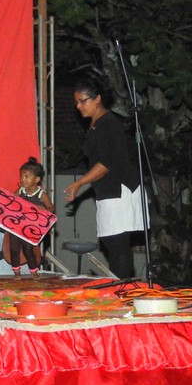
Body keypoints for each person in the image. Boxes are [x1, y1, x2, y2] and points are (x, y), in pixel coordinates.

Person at [62, 75, 145, 279]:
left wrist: (80, 183)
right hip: (107, 190)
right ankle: (119, 285)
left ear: (97, 99)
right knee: (111, 242)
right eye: (76, 101)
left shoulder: (109, 124)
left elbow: (107, 163)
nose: (78, 106)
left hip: (120, 189)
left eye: (83, 101)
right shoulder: (95, 124)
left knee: (117, 243)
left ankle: (121, 288)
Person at [2, 157, 56, 279]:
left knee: (28, 249)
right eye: (21, 176)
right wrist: (13, 199)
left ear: (37, 179)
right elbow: (10, 201)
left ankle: (34, 271)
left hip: (30, 228)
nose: (23, 179)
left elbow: (51, 208)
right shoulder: (20, 190)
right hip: (16, 226)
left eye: (26, 177)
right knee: (14, 249)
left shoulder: (41, 194)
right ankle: (16, 272)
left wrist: (44, 209)